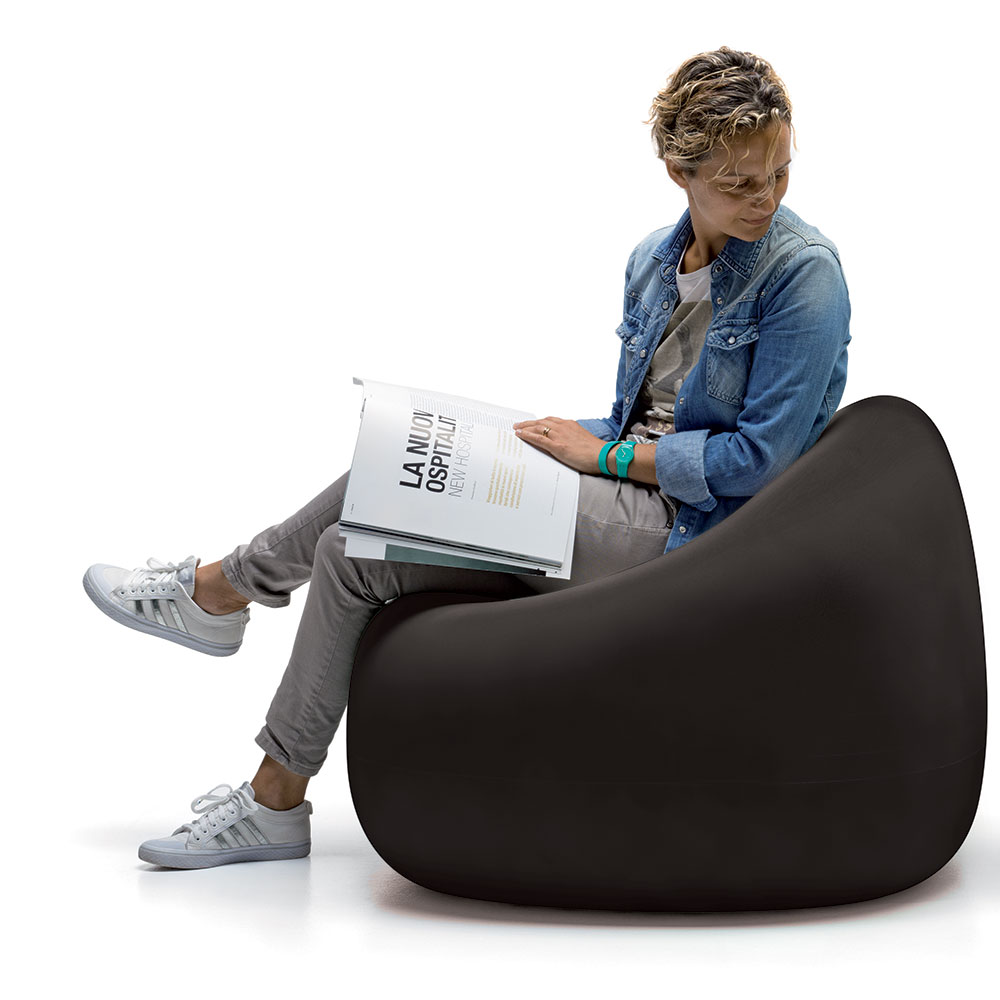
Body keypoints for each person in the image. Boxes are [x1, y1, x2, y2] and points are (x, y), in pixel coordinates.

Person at [83, 46, 851, 870]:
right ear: (679, 173)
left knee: (394, 483)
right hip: (627, 494)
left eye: (780, 171)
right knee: (354, 543)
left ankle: (223, 589)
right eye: (739, 182)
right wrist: (536, 439)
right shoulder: (651, 265)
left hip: (693, 538)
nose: (767, 196)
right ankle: (275, 802)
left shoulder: (802, 277)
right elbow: (642, 417)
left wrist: (604, 455)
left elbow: (758, 461)